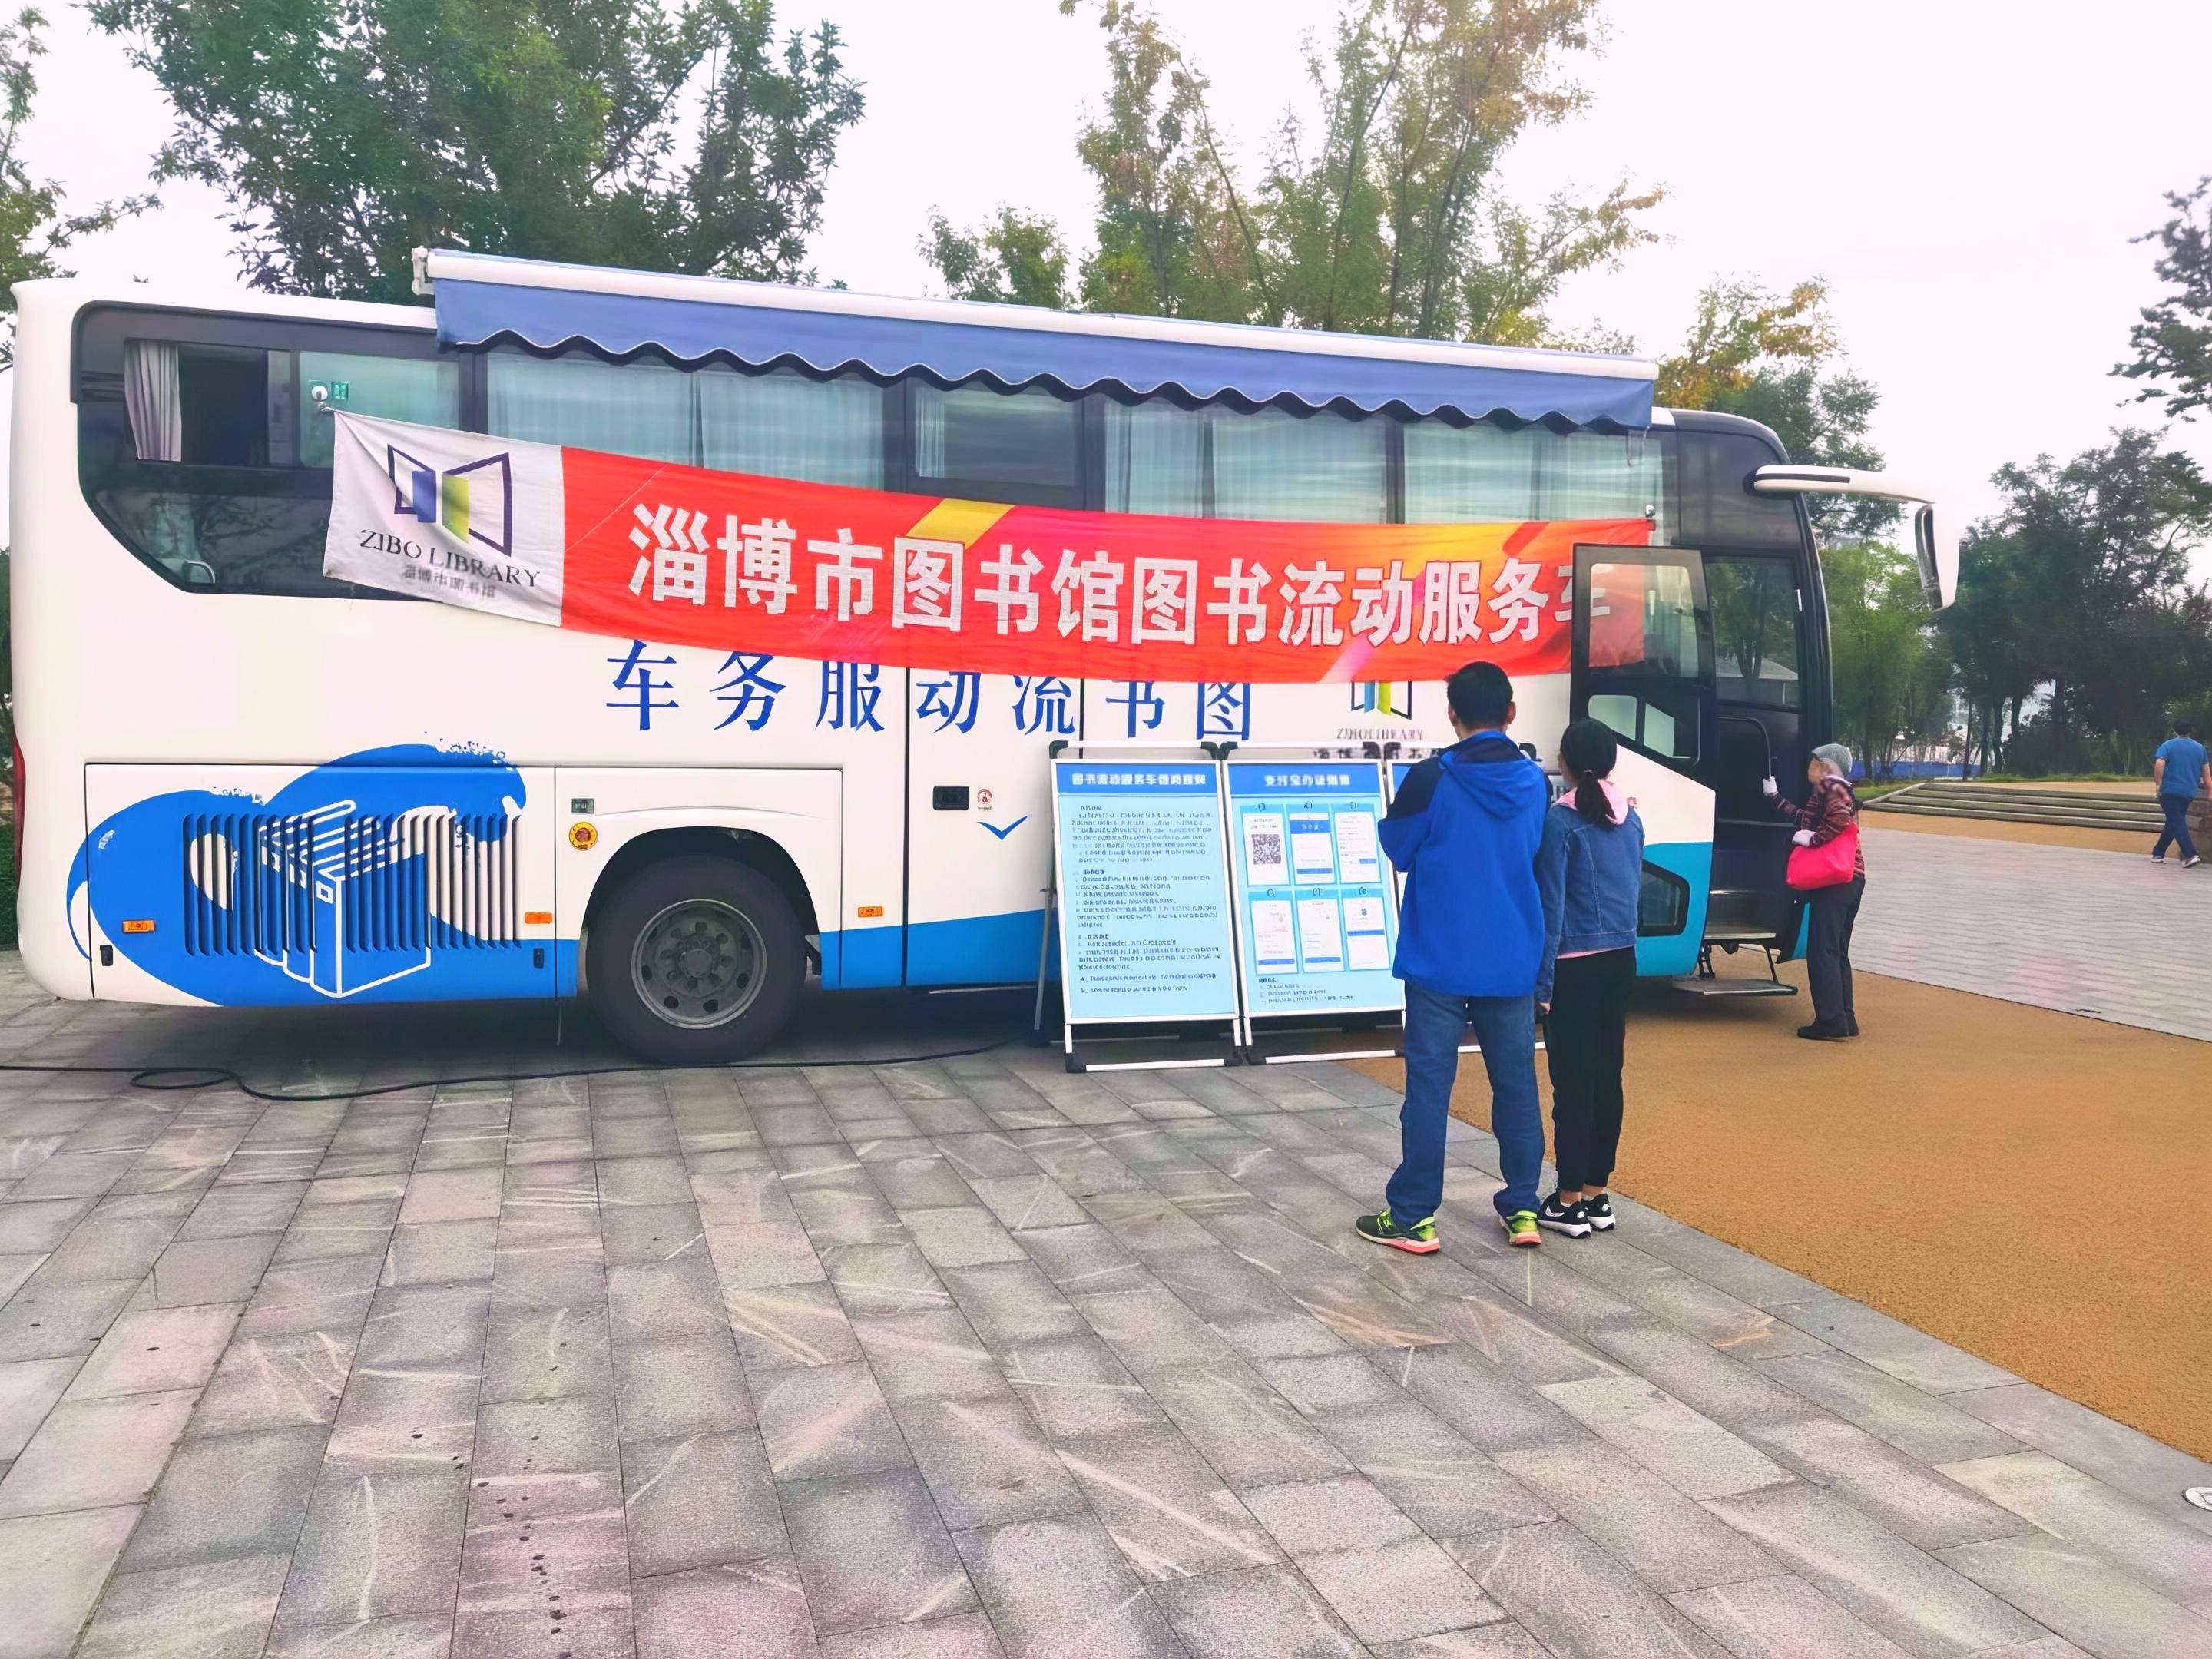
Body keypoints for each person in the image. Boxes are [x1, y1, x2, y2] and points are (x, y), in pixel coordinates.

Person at [1358, 661, 1551, 1253]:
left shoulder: (1430, 777)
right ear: (1511, 713)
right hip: (1512, 955)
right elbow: (1538, 856)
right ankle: (1523, 1208)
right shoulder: (1537, 783)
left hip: (1438, 956)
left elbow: (1399, 849)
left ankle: (1414, 1216)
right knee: (1516, 1085)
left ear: (1451, 714)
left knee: (1429, 1087)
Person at [1532, 719, 1645, 1238]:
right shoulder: (1632, 819)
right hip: (1622, 958)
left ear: (1567, 763)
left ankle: (1567, 1199)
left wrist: (1543, 985)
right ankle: (1598, 1194)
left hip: (1574, 966)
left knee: (1572, 1083)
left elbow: (1551, 907)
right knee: (1607, 1077)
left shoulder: (1562, 820)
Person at [1764, 742, 1864, 1041]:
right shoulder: (1840, 788)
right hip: (1851, 880)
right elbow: (1804, 818)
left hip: (1835, 884)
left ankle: (1830, 1021)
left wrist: (1814, 840)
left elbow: (1838, 820)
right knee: (1837, 951)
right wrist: (1775, 797)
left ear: (1824, 765)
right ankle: (1845, 1017)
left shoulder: (1830, 786)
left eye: (1812, 762)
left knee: (1822, 952)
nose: (1807, 767)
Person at [2151, 718, 2210, 869]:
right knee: (2174, 820)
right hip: (2189, 791)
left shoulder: (2168, 745)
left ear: (2174, 730)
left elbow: (2160, 763)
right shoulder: (2200, 748)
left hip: (2170, 789)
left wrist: (2158, 784)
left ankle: (2190, 854)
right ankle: (2158, 853)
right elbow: (2206, 774)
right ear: (2191, 730)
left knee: (2176, 821)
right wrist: (2210, 792)